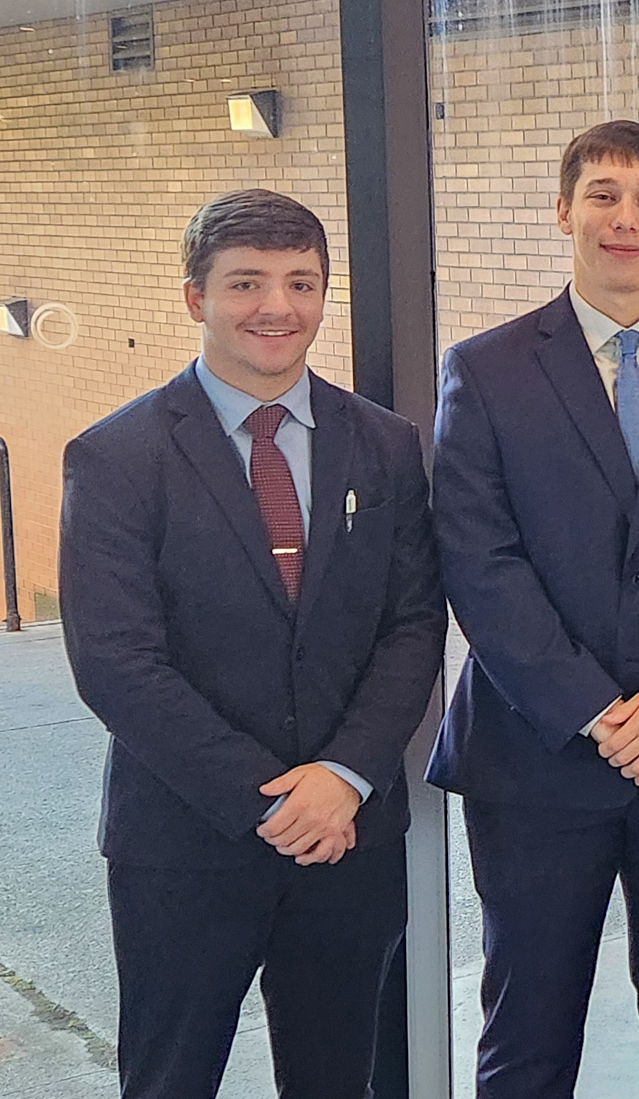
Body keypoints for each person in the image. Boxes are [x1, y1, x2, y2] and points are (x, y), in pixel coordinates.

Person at [60, 188, 446, 1099]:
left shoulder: (385, 447)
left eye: (300, 282)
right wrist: (272, 800)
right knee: (169, 1077)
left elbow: (413, 623)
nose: (277, 307)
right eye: (246, 283)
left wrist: (343, 777)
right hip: (186, 844)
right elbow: (117, 662)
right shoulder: (117, 457)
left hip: (348, 841)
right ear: (196, 298)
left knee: (336, 1077)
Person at [427, 120, 639, 1099]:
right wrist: (593, 707)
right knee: (527, 1030)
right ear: (564, 210)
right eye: (604, 193)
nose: (626, 216)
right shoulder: (485, 369)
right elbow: (478, 558)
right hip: (535, 757)